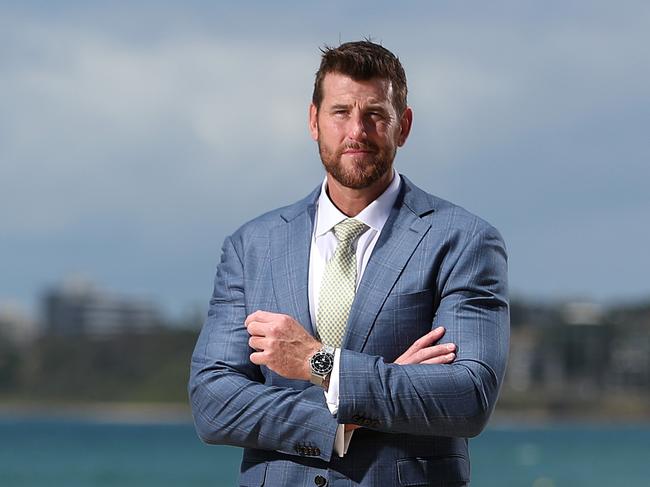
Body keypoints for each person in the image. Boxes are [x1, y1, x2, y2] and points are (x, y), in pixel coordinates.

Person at [189, 40, 509, 486]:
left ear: (404, 126)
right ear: (313, 121)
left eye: (375, 114)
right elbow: (212, 402)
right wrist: (340, 419)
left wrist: (319, 363)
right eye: (340, 112)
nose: (357, 131)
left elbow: (468, 396)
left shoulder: (463, 240)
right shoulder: (252, 246)